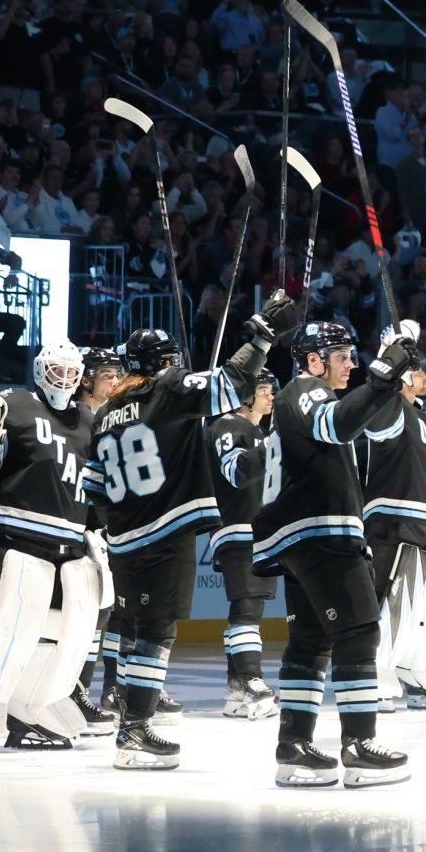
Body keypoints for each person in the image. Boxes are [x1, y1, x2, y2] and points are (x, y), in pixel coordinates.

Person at [84, 299, 294, 771]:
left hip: (124, 541)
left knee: (138, 631)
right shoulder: (167, 389)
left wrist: (124, 523)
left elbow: (93, 487)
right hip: (165, 535)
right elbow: (231, 382)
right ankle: (135, 729)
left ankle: (129, 719)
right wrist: (262, 335)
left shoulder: (104, 415)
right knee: (157, 634)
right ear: (164, 363)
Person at [254, 320, 418, 788]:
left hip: (300, 534)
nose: (352, 363)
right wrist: (385, 371)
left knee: (310, 640)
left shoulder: (304, 397)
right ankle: (359, 745)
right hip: (319, 532)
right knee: (359, 628)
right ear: (312, 362)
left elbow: (375, 425)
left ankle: (293, 747)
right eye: (342, 356)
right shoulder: (305, 390)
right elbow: (340, 422)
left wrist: (389, 372)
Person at [0, 340, 104, 749]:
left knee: (55, 632)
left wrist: (99, 533)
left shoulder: (90, 421)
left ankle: (26, 708)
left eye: (72, 373)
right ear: (40, 371)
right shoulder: (12, 404)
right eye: (57, 371)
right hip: (12, 535)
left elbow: (95, 490)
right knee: (4, 622)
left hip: (68, 545)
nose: (64, 380)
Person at [360, 351, 426, 711]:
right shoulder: (389, 408)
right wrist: (388, 361)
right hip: (393, 518)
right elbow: (376, 403)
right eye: (419, 371)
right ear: (402, 378)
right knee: (389, 598)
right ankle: (375, 669)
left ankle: (419, 669)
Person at [208, 368, 278, 720]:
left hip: (253, 530)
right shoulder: (229, 426)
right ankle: (250, 680)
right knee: (247, 608)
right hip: (239, 529)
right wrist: (273, 445)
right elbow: (236, 472)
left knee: (249, 608)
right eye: (263, 389)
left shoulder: (253, 430)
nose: (270, 396)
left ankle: (237, 689)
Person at [75, 345, 125, 723]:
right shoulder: (75, 418)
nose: (116, 381)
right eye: (107, 374)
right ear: (86, 378)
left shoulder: (111, 418)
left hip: (104, 529)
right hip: (76, 528)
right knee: (84, 615)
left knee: (107, 612)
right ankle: (72, 692)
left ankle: (99, 689)